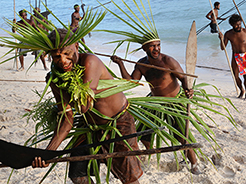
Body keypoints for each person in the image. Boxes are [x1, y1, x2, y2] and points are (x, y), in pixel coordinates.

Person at [31, 28, 143, 184]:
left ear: (76, 46)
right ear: (49, 55)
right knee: (77, 174)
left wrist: (65, 87)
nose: (63, 61)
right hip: (90, 126)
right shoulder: (54, 78)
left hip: (119, 123)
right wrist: (48, 153)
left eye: (66, 53)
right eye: (57, 56)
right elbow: (67, 118)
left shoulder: (90, 62)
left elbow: (84, 107)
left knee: (127, 177)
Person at [111, 40, 200, 174]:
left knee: (181, 135)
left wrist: (188, 89)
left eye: (158, 45)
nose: (156, 49)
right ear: (145, 48)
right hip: (155, 102)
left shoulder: (168, 61)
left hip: (174, 102)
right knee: (145, 131)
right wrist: (120, 64)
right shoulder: (142, 64)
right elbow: (132, 82)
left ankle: (194, 164)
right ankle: (150, 152)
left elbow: (184, 78)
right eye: (152, 46)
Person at [218, 14, 246, 100]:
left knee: (245, 75)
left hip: (245, 54)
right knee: (235, 75)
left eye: (240, 24)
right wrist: (221, 39)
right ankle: (242, 90)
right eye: (236, 24)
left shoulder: (245, 31)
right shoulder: (228, 34)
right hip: (236, 55)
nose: (239, 26)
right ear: (232, 24)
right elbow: (223, 48)